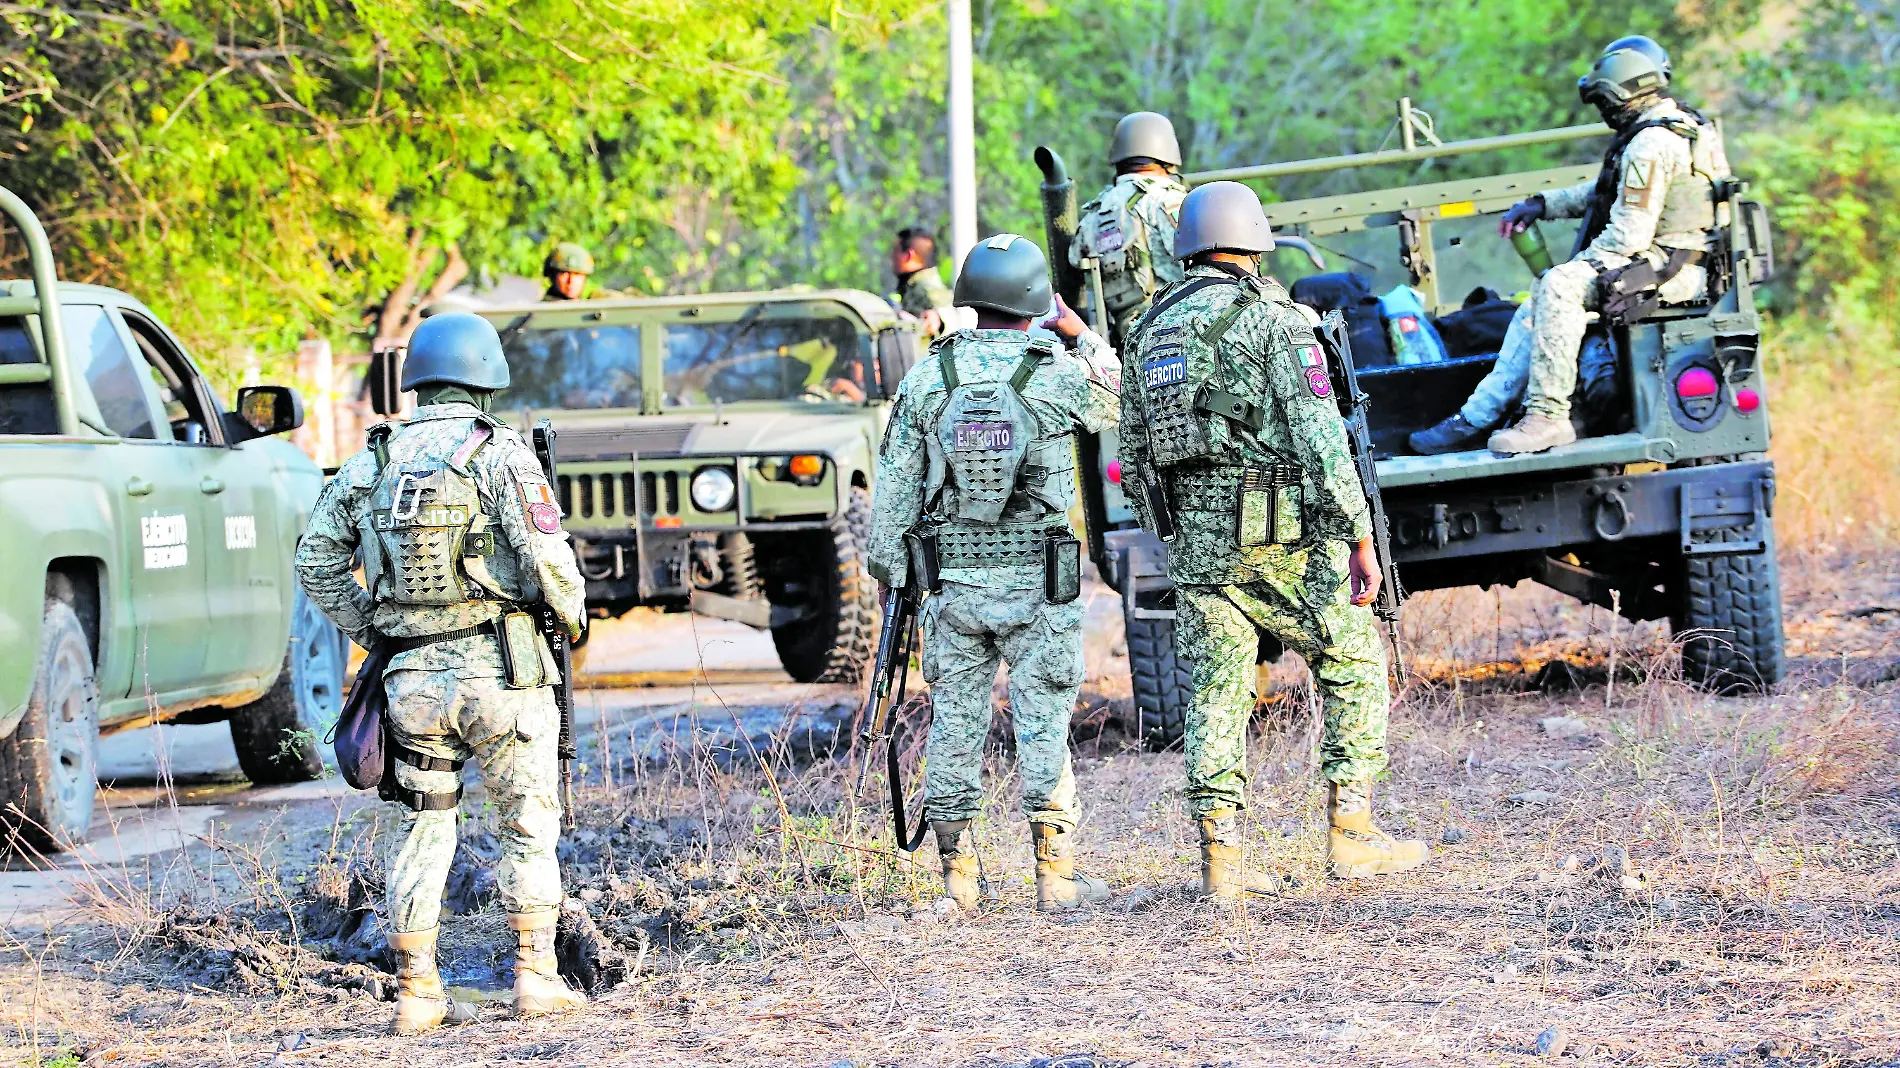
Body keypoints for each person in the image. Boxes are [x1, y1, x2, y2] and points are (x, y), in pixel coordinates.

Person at [1119, 182, 1429, 898]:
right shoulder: (1276, 320)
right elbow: (1321, 437)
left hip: (1195, 543)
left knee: (1215, 694)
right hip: (1281, 531)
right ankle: (1351, 834)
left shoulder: (1146, 331)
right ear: (1254, 241)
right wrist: (1358, 534)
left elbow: (1135, 454)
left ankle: (1221, 864)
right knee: (1351, 658)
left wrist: (1171, 529)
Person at [294, 312, 589, 1034]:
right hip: (506, 675)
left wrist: (376, 629)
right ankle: (534, 978)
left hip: (411, 686)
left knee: (423, 831)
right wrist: (571, 618)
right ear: (486, 374)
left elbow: (315, 562)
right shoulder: (500, 452)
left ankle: (420, 992)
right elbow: (550, 560)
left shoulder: (375, 458)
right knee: (527, 828)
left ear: (417, 378)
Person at [867, 234, 1122, 912]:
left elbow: (892, 500)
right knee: (1044, 720)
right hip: (1041, 584)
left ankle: (958, 882)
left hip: (952, 588)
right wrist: (1082, 334)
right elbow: (1116, 399)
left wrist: (898, 576)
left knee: (954, 723)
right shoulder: (1056, 370)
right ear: (1036, 300)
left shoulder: (928, 377)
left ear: (969, 297)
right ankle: (1056, 878)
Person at [1408, 36, 1731, 456]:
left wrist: (1573, 274)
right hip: (1676, 264)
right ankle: (1476, 416)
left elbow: (1627, 237)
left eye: (1603, 100)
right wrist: (1543, 205)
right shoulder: (1683, 127)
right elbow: (1607, 192)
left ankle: (1546, 417)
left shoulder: (1652, 143)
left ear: (1623, 91)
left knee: (1559, 286)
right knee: (1540, 300)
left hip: (1672, 271)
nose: (1603, 112)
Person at [1069, 111, 1190, 347]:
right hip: (1178, 338)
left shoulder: (1094, 213)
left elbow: (1074, 260)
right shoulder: (1168, 201)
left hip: (1122, 345)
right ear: (1169, 158)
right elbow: (1205, 266)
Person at [891, 227, 956, 337]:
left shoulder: (926, 285)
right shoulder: (912, 285)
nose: (892, 256)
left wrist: (937, 318)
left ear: (909, 255)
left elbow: (948, 313)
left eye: (896, 251)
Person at [543, 242, 616, 301]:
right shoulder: (540, 311)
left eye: (577, 274)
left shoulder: (592, 304)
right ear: (552, 275)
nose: (571, 281)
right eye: (565, 273)